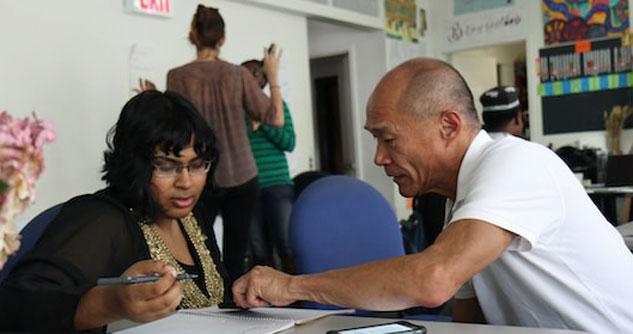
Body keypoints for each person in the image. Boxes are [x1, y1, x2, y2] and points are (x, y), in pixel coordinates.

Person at [231, 58, 633, 333]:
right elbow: (468, 316)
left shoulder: (515, 164)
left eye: (388, 138)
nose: (379, 157)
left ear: (448, 125)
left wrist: (293, 287)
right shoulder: (461, 200)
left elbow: (432, 280)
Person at [0, 91, 230, 332]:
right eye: (166, 167)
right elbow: (15, 305)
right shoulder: (101, 220)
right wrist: (109, 303)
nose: (185, 182)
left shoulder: (191, 215)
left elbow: (214, 298)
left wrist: (250, 294)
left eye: (197, 166)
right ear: (136, 164)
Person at [166, 4, 284, 282]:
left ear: (192, 35)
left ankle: (211, 311)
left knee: (202, 254)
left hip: (200, 177)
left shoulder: (177, 76)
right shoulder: (238, 74)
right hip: (242, 176)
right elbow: (276, 118)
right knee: (236, 257)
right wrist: (274, 76)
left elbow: (173, 128)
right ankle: (235, 311)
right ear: (223, 40)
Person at [241, 59, 296, 273]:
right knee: (258, 248)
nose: (250, 78)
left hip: (278, 185)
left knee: (286, 244)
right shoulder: (237, 113)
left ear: (263, 79)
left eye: (254, 73)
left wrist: (263, 123)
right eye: (245, 75)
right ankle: (265, 298)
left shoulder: (278, 107)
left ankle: (296, 296)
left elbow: (289, 142)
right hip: (249, 186)